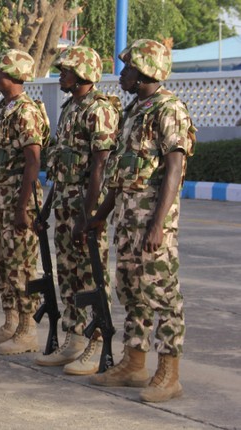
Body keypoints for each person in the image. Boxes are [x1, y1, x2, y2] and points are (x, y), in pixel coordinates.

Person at [86, 39, 195, 403]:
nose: (123, 74)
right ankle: (134, 362)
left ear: (146, 70)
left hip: (151, 223)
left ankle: (169, 371)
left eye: (129, 67)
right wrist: (100, 216)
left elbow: (174, 169)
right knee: (132, 291)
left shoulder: (168, 109)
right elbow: (121, 175)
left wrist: (157, 224)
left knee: (162, 295)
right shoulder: (135, 111)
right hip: (128, 223)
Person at [34, 46, 118, 374]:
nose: (61, 76)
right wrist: (46, 207)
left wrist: (88, 215)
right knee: (68, 272)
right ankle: (73, 337)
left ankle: (96, 341)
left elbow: (100, 166)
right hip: (64, 205)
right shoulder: (70, 108)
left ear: (83, 74)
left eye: (66, 71)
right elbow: (61, 167)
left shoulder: (99, 110)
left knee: (90, 275)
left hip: (84, 207)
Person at [0, 50, 48, 354]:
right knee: (3, 263)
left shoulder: (26, 111)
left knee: (22, 265)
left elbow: (33, 161)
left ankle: (27, 328)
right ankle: (10, 321)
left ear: (12, 75)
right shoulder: (1, 109)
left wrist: (22, 207)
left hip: (18, 200)